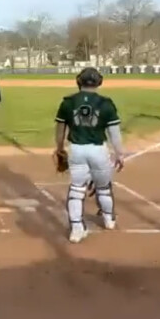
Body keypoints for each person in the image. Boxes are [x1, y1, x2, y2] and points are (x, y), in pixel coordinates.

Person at [53, 67, 126, 244]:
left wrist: (60, 147)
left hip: (76, 149)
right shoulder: (106, 103)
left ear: (79, 81)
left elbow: (60, 128)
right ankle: (109, 219)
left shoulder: (68, 102)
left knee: (77, 190)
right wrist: (119, 153)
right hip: (98, 150)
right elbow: (114, 132)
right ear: (99, 82)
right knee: (103, 187)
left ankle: (77, 229)